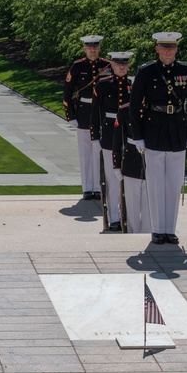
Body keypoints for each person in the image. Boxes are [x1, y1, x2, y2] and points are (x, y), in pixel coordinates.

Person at [130, 32, 187, 245]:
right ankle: (157, 230)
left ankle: (170, 229)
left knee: (173, 183)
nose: (168, 51)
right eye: (164, 47)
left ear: (176, 49)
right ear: (157, 49)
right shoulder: (146, 72)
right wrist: (138, 137)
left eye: (172, 47)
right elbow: (134, 107)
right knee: (156, 184)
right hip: (154, 130)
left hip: (177, 131)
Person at [63, 35, 111, 200]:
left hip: (101, 113)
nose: (93, 50)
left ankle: (98, 187)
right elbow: (67, 92)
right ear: (84, 48)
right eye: (89, 47)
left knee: (99, 151)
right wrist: (71, 115)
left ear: (99, 48)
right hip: (84, 112)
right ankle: (87, 187)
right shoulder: (77, 66)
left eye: (95, 47)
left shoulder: (107, 66)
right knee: (85, 153)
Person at [90, 52, 133, 231]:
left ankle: (129, 216)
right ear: (112, 65)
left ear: (128, 66)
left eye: (124, 64)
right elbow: (94, 111)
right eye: (118, 64)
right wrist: (95, 136)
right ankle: (114, 218)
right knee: (112, 178)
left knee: (131, 178)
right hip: (109, 134)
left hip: (129, 135)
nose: (121, 67)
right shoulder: (103, 84)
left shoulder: (134, 85)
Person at [114, 65, 149, 234]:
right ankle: (134, 233)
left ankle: (149, 232)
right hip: (131, 161)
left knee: (150, 204)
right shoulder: (125, 110)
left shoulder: (154, 110)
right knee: (133, 204)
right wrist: (116, 165)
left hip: (151, 161)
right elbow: (117, 140)